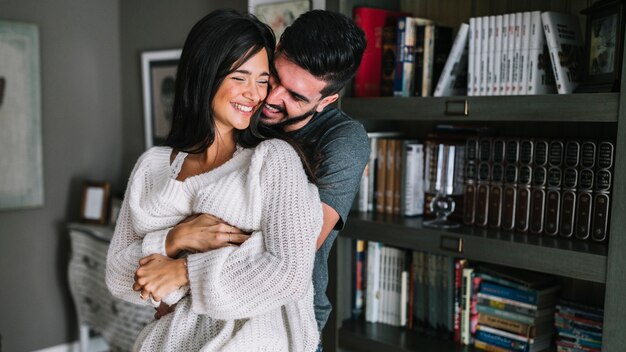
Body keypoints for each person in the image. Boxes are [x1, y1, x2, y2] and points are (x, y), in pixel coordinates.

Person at [106, 9, 323, 351]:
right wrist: (175, 238)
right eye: (240, 77)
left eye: (262, 80)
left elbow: (287, 273)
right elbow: (119, 277)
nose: (254, 94)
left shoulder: (273, 160)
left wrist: (183, 273)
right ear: (205, 73)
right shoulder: (153, 167)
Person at [259, 9, 370, 341]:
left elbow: (295, 247)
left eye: (296, 96)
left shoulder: (345, 140)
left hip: (286, 325)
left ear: (327, 100)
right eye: (276, 78)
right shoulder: (245, 95)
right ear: (276, 50)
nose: (271, 98)